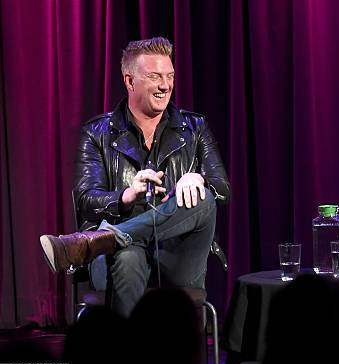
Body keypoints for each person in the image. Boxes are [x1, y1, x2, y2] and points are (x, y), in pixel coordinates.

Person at [39, 37, 230, 317]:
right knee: (128, 256)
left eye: (170, 76)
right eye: (154, 77)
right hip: (116, 260)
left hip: (176, 257)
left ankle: (104, 239)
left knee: (205, 200)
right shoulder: (97, 132)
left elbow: (222, 189)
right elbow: (85, 200)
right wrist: (125, 196)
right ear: (130, 81)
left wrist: (198, 180)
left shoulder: (195, 127)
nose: (165, 86)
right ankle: (131, 357)